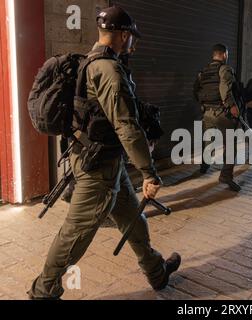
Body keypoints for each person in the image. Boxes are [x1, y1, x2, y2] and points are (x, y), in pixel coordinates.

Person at [28, 6, 181, 300]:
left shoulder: (91, 60)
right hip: (97, 169)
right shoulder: (109, 70)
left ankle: (156, 271)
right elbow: (126, 125)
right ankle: (43, 292)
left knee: (133, 219)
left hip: (105, 161)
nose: (132, 42)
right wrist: (149, 172)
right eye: (131, 36)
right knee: (75, 234)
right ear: (123, 35)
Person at [193, 44, 241, 192]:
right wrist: (232, 106)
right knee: (231, 143)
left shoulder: (203, 71)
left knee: (208, 140)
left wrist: (204, 104)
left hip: (207, 112)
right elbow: (224, 88)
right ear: (224, 54)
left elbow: (195, 90)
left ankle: (204, 165)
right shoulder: (224, 69)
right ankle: (226, 176)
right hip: (222, 113)